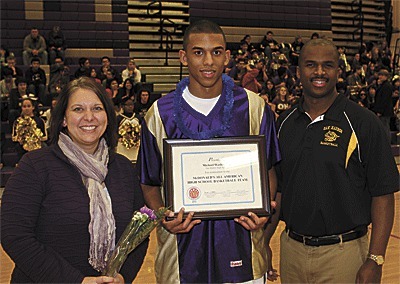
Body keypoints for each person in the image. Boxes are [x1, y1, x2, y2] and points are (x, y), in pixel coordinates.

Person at [138, 19, 280, 283]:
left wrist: (263, 212)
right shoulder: (159, 113)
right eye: (198, 52)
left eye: (216, 52)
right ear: (183, 57)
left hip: (243, 251)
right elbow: (149, 182)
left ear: (227, 57)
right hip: (181, 256)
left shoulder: (253, 107)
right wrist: (163, 217)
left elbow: (269, 170)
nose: (208, 61)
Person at [267, 38, 398, 283]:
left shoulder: (364, 123)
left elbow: (383, 195)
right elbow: (279, 191)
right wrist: (264, 242)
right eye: (311, 65)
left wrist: (376, 259)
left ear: (338, 71)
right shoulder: (283, 123)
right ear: (299, 71)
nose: (319, 72)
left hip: (344, 254)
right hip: (292, 251)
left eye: (327, 65)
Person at [1, 77, 148, 283]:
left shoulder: (123, 168)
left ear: (107, 116)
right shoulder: (35, 165)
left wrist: (123, 277)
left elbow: (139, 233)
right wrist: (75, 281)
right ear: (63, 118)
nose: (89, 117)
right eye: (78, 109)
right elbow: (14, 235)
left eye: (97, 108)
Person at [11, 97, 47, 161]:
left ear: (33, 107)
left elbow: (45, 137)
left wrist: (34, 139)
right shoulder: (17, 121)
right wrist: (23, 138)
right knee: (18, 146)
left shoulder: (40, 120)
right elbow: (14, 137)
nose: (26, 108)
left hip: (37, 144)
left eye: (28, 106)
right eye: (24, 106)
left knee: (44, 145)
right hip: (23, 145)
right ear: (21, 108)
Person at [371, 68, 394, 139]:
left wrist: (380, 111)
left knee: (385, 127)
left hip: (384, 111)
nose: (380, 77)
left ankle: (386, 142)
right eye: (379, 75)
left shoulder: (387, 86)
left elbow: (384, 100)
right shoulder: (382, 85)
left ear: (386, 77)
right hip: (383, 110)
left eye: (382, 75)